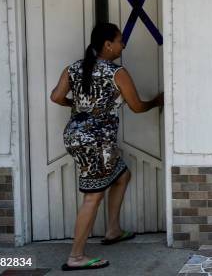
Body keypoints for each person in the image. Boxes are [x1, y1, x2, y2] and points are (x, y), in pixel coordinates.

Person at [50, 22, 163, 271]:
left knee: (122, 175)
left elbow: (56, 97)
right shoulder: (116, 72)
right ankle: (76, 256)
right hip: (97, 142)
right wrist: (155, 101)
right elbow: (136, 106)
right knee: (93, 196)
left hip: (74, 136)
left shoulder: (73, 68)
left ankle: (113, 230)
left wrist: (79, 108)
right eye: (120, 40)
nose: (124, 44)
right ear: (107, 44)